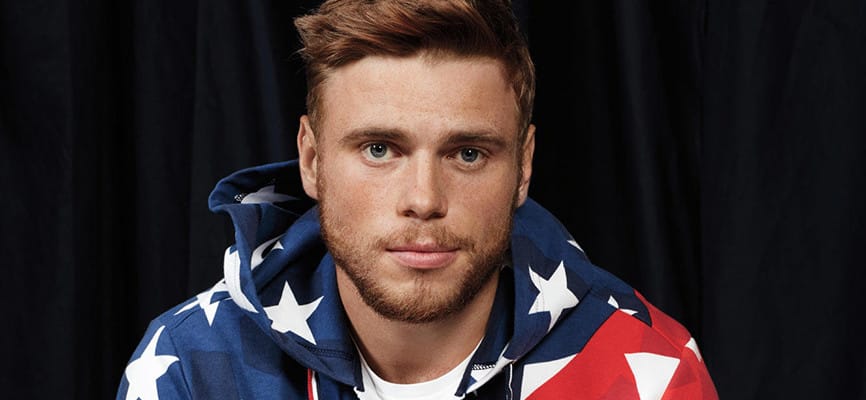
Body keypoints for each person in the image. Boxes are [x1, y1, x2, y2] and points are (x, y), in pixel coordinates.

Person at [118, 1, 718, 399]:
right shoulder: (193, 366)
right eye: (380, 149)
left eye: (468, 154)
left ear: (524, 165)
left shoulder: (645, 371)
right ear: (312, 159)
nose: (424, 200)